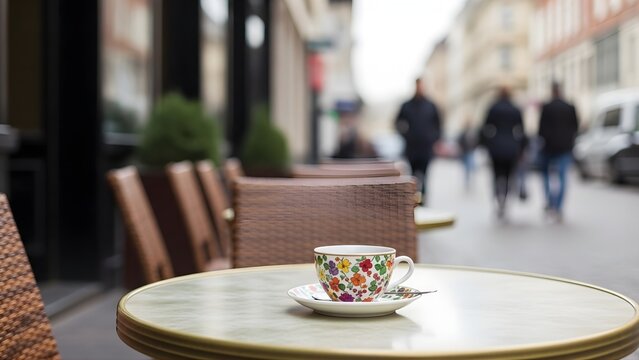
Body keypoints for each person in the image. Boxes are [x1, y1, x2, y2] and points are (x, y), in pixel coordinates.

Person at [480, 86, 526, 219]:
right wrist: (521, 147)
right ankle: (504, 200)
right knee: (507, 177)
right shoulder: (515, 109)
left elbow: (485, 128)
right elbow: (521, 130)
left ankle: (498, 199)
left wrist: (487, 143)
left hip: (496, 148)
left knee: (496, 176)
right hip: (511, 148)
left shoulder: (493, 108)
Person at [395, 78, 441, 205]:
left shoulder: (431, 106)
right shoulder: (407, 105)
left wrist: (433, 138)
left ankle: (424, 200)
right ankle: (414, 200)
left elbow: (438, 125)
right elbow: (397, 123)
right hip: (412, 148)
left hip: (426, 148)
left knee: (425, 176)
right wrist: (406, 135)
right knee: (413, 177)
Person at [538, 82, 579, 222]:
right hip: (565, 147)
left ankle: (551, 202)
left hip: (549, 148)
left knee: (546, 176)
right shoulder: (570, 107)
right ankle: (559, 206)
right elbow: (575, 127)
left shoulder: (546, 107)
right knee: (562, 177)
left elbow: (541, 129)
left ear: (552, 91)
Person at [457, 119, 478, 191]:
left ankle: (470, 182)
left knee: (471, 166)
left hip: (470, 152)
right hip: (465, 152)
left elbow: (476, 141)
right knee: (467, 168)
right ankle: (467, 182)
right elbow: (459, 141)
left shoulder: (472, 133)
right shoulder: (463, 133)